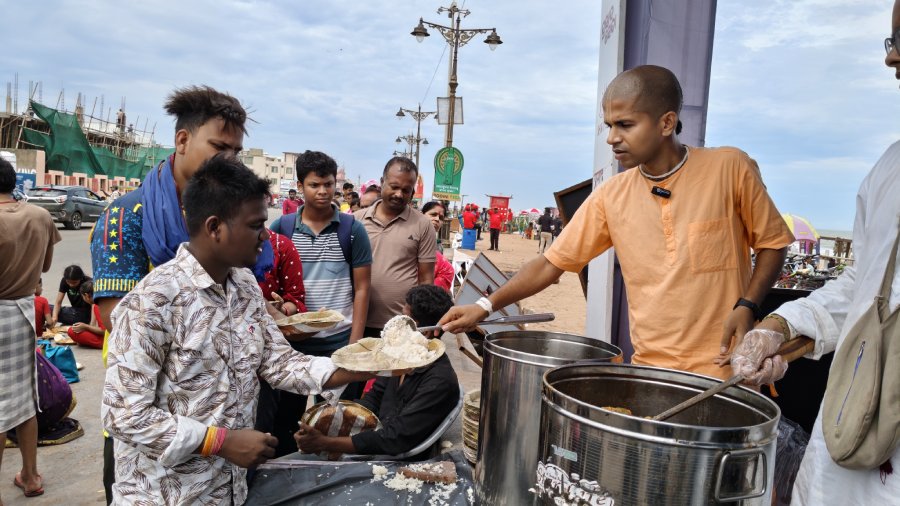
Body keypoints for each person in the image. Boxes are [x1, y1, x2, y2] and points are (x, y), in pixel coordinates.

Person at [440, 65, 793, 380]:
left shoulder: (729, 167)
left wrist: (748, 305)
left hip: (728, 372)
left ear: (666, 123)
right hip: (650, 373)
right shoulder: (612, 196)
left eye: (625, 125)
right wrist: (484, 306)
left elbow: (773, 243)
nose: (611, 138)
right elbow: (550, 265)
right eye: (609, 125)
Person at [101, 154, 374, 505]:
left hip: (229, 489)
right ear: (215, 227)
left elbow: (279, 363)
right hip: (165, 494)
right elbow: (124, 414)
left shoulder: (244, 286)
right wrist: (222, 442)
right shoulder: (153, 301)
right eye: (255, 225)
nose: (265, 236)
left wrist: (368, 363)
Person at [729, 6, 900, 501]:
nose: (892, 59)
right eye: (889, 42)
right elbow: (863, 288)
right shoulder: (890, 167)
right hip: (849, 440)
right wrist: (780, 328)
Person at [90, 85, 252, 505]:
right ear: (182, 140)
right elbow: (114, 315)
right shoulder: (127, 215)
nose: (228, 160)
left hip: (224, 409)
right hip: (152, 410)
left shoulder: (232, 217)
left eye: (236, 151)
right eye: (219, 146)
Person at [268, 150, 373, 457]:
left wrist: (354, 345)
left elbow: (363, 288)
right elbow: (271, 285)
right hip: (293, 348)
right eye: (315, 185)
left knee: (335, 423)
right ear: (300, 186)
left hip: (338, 344)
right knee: (287, 424)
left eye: (329, 184)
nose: (324, 191)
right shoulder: (282, 229)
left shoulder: (352, 230)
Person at [296, 284, 459, 457]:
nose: (396, 325)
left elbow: (395, 439)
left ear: (424, 334)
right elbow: (373, 399)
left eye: (404, 321)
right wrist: (331, 421)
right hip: (379, 439)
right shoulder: (401, 359)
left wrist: (326, 443)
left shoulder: (439, 382)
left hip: (400, 461)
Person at [0, 156, 60, 500]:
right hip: (24, 314)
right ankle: (31, 475)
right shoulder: (39, 215)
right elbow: (46, 266)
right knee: (26, 400)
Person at [355, 157, 437, 338]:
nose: (399, 194)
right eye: (394, 186)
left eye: (406, 190)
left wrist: (425, 317)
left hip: (401, 325)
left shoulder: (423, 225)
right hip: (357, 322)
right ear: (382, 182)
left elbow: (426, 277)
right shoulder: (356, 221)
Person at [422, 201, 455, 291]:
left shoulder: (435, 246)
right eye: (433, 214)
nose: (437, 219)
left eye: (441, 218)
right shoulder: (410, 238)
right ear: (421, 215)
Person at [66, 281, 105, 349]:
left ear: (86, 295)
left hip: (108, 339)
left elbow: (104, 331)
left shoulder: (98, 305)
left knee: (71, 331)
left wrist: (86, 327)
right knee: (77, 329)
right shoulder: (100, 302)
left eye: (83, 296)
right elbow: (93, 325)